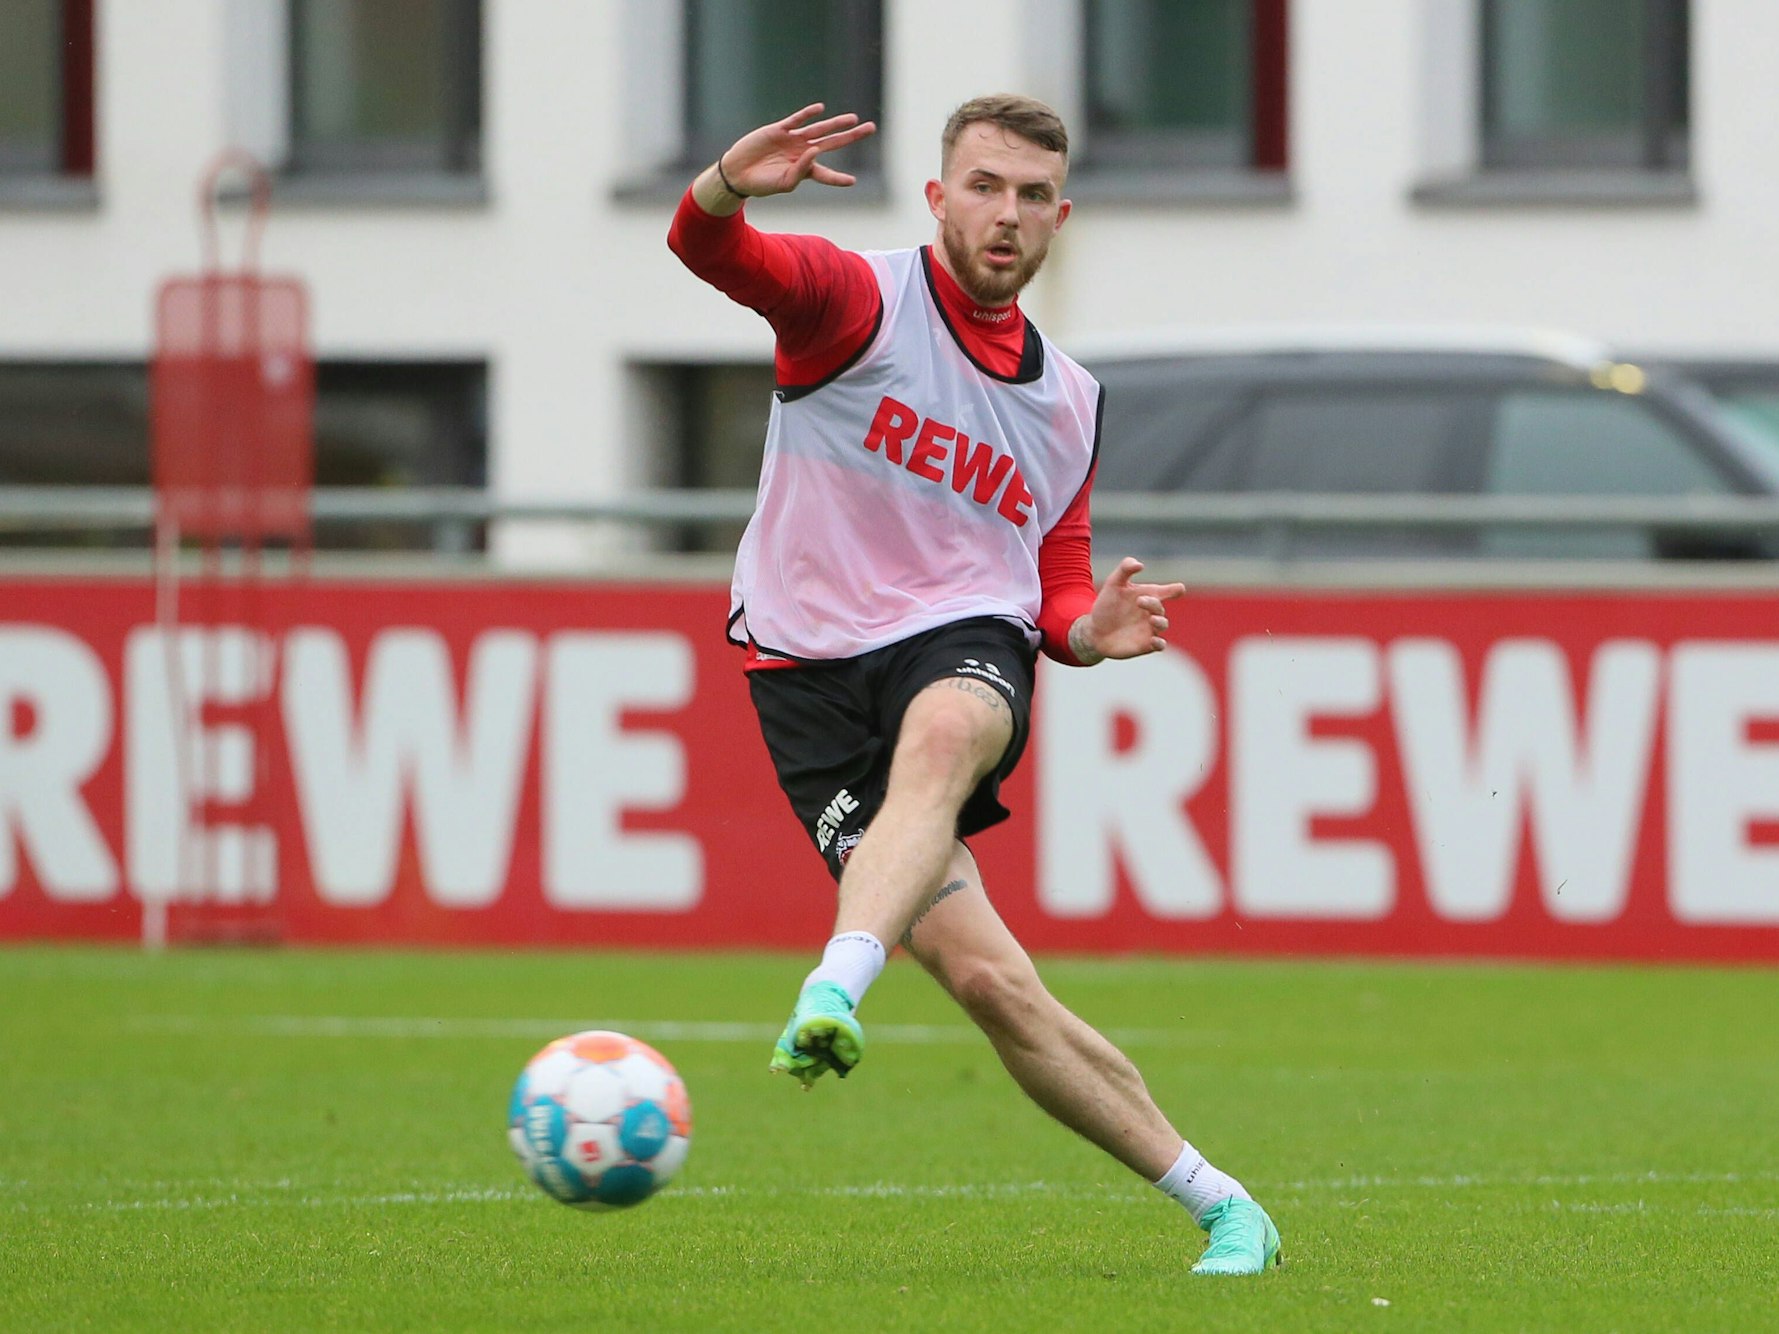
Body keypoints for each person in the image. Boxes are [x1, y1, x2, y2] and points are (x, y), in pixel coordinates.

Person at [667, 94, 1280, 1276]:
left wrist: (1083, 630)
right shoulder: (857, 301)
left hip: (964, 638)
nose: (1007, 213)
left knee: (947, 733)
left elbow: (1054, 578)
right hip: (805, 669)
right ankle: (1226, 1204)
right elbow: (710, 250)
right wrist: (727, 186)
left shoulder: (1071, 401)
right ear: (939, 198)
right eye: (985, 187)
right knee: (995, 982)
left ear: (1061, 218)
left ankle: (835, 986)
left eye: (1032, 194)